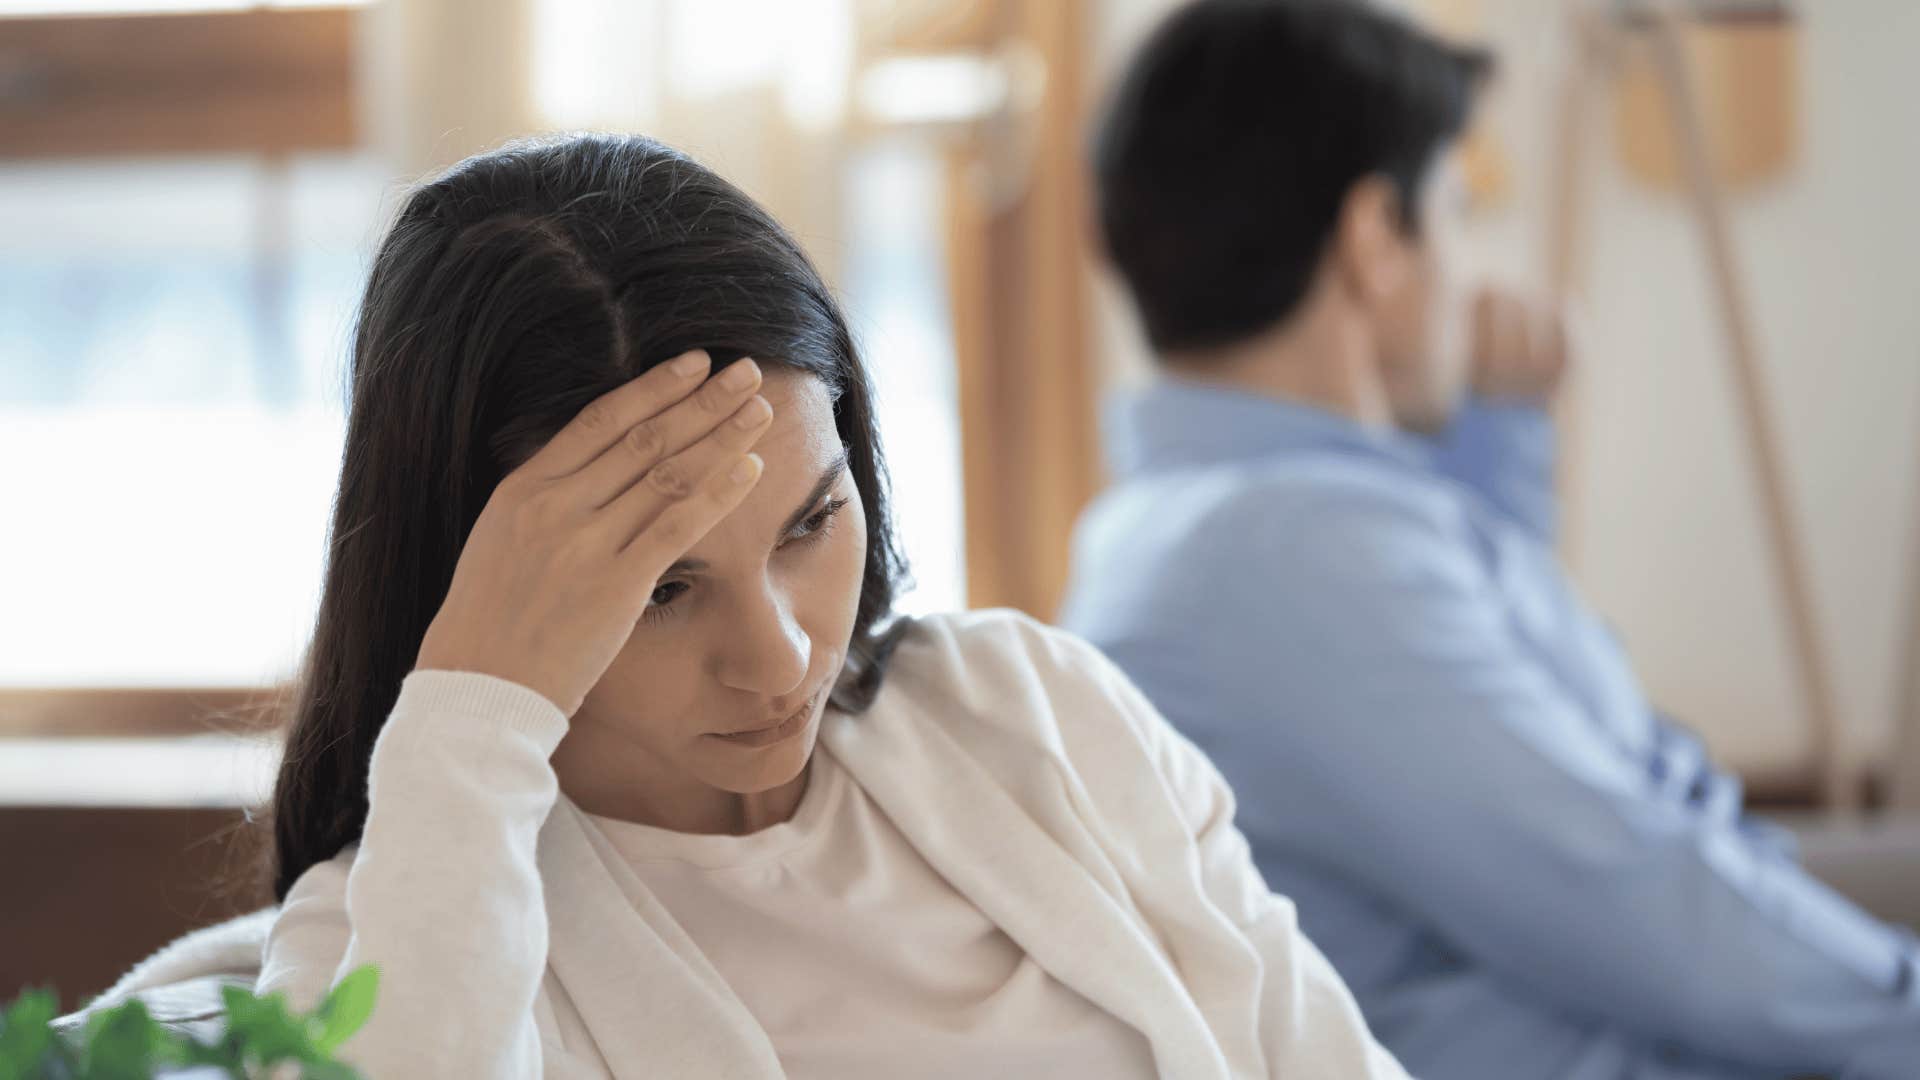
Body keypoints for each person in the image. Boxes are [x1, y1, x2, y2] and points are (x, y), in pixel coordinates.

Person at [79, 132, 1420, 1079]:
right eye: (661, 588)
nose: (777, 657)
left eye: (812, 522)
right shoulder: (401, 931)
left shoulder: (1031, 712)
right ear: (481, 591)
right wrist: (472, 719)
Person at [1057, 2, 1920, 1078]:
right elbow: (1630, 893)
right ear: (1375, 241)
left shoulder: (1203, 523)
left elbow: (1512, 718)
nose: (1471, 272)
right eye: (1459, 209)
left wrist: (1493, 443)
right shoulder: (1294, 560)